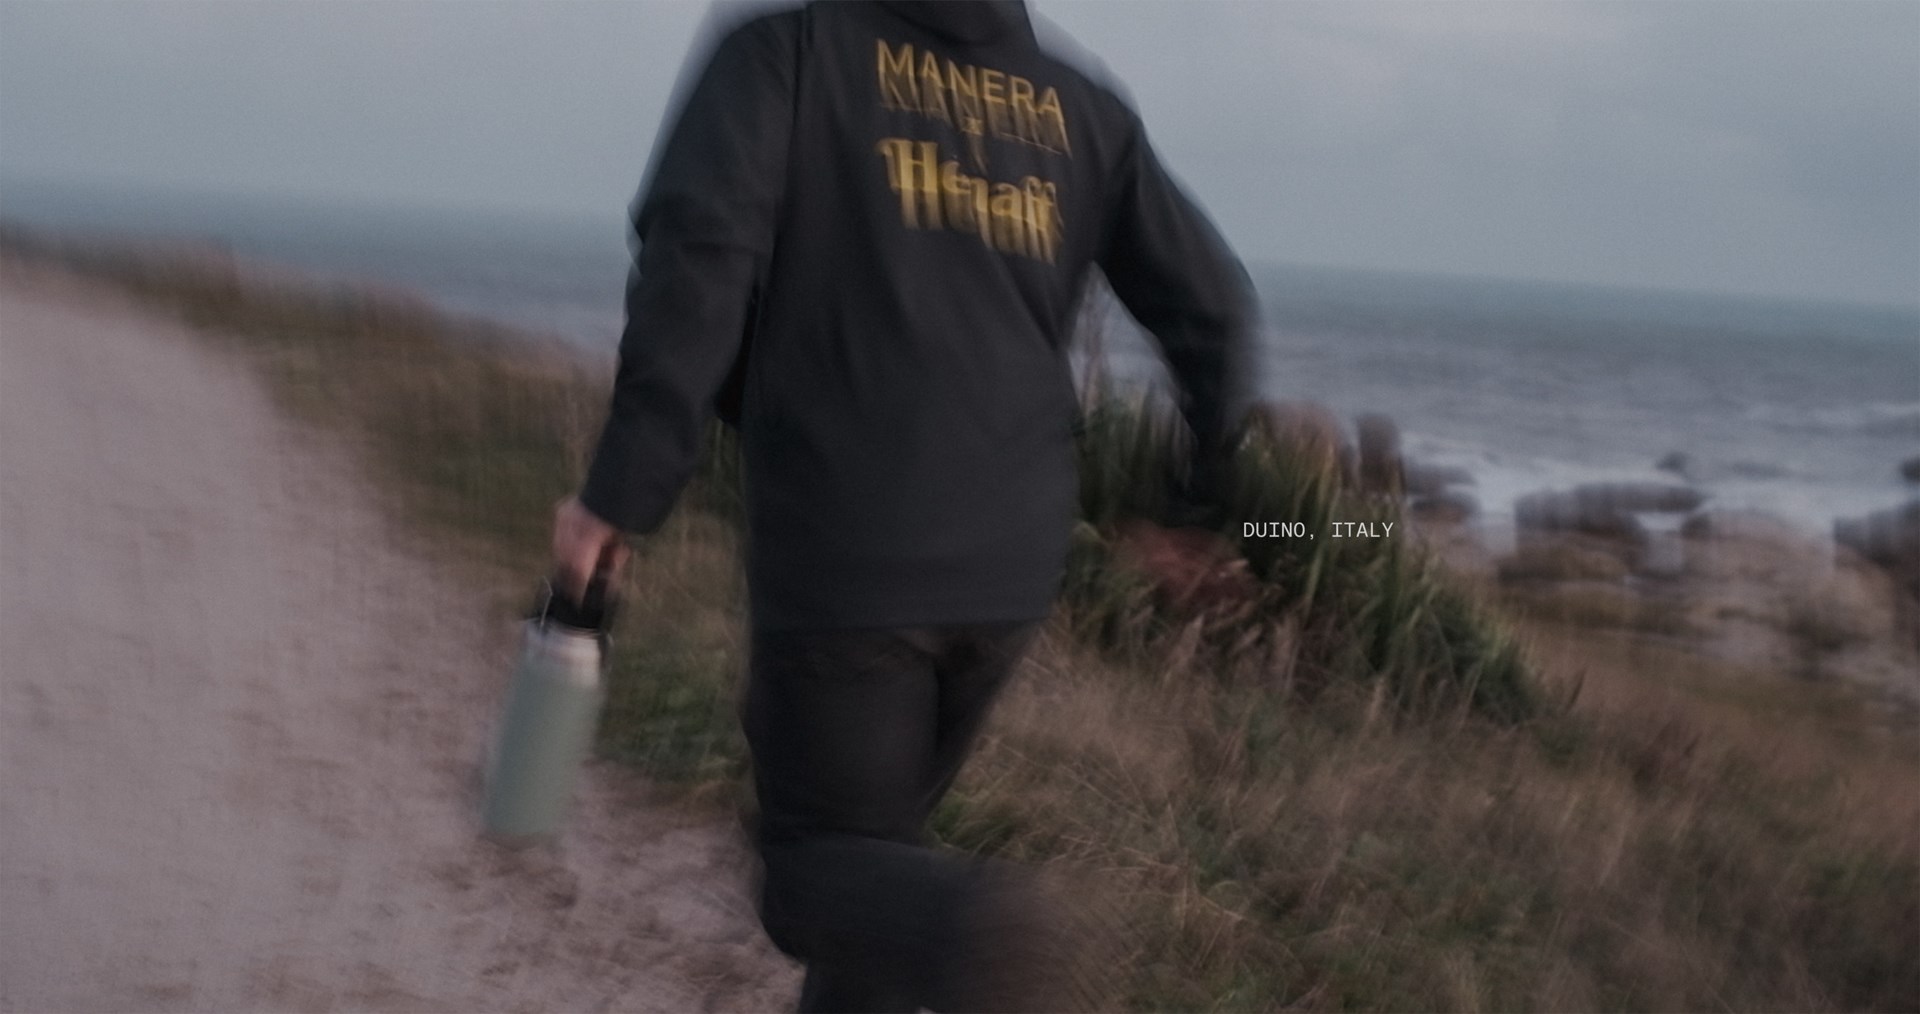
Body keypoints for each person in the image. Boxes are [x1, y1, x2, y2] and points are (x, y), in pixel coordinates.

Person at [551, 1, 1260, 1008]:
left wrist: (618, 495)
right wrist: (1195, 502)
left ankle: (982, 928)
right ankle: (951, 927)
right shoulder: (1078, 108)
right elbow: (1217, 310)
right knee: (877, 875)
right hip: (1011, 561)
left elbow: (697, 273)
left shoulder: (785, 57)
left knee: (816, 874)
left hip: (849, 551)